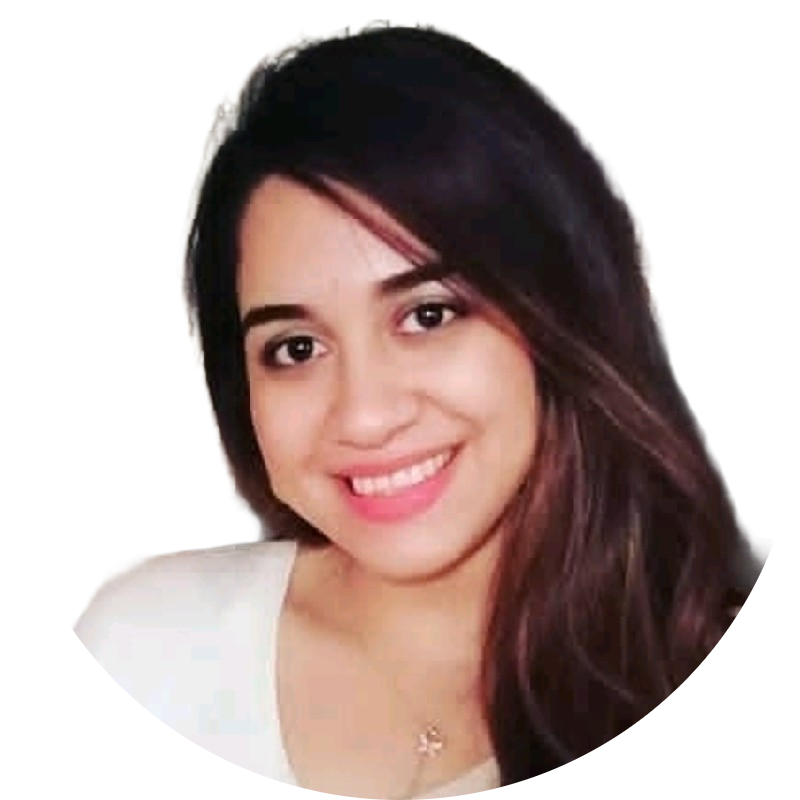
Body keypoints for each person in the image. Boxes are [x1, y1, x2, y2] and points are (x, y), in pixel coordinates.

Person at [69, 20, 771, 797]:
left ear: (560, 314)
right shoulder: (144, 646)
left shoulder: (686, 656)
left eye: (428, 314)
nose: (365, 417)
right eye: (296, 348)